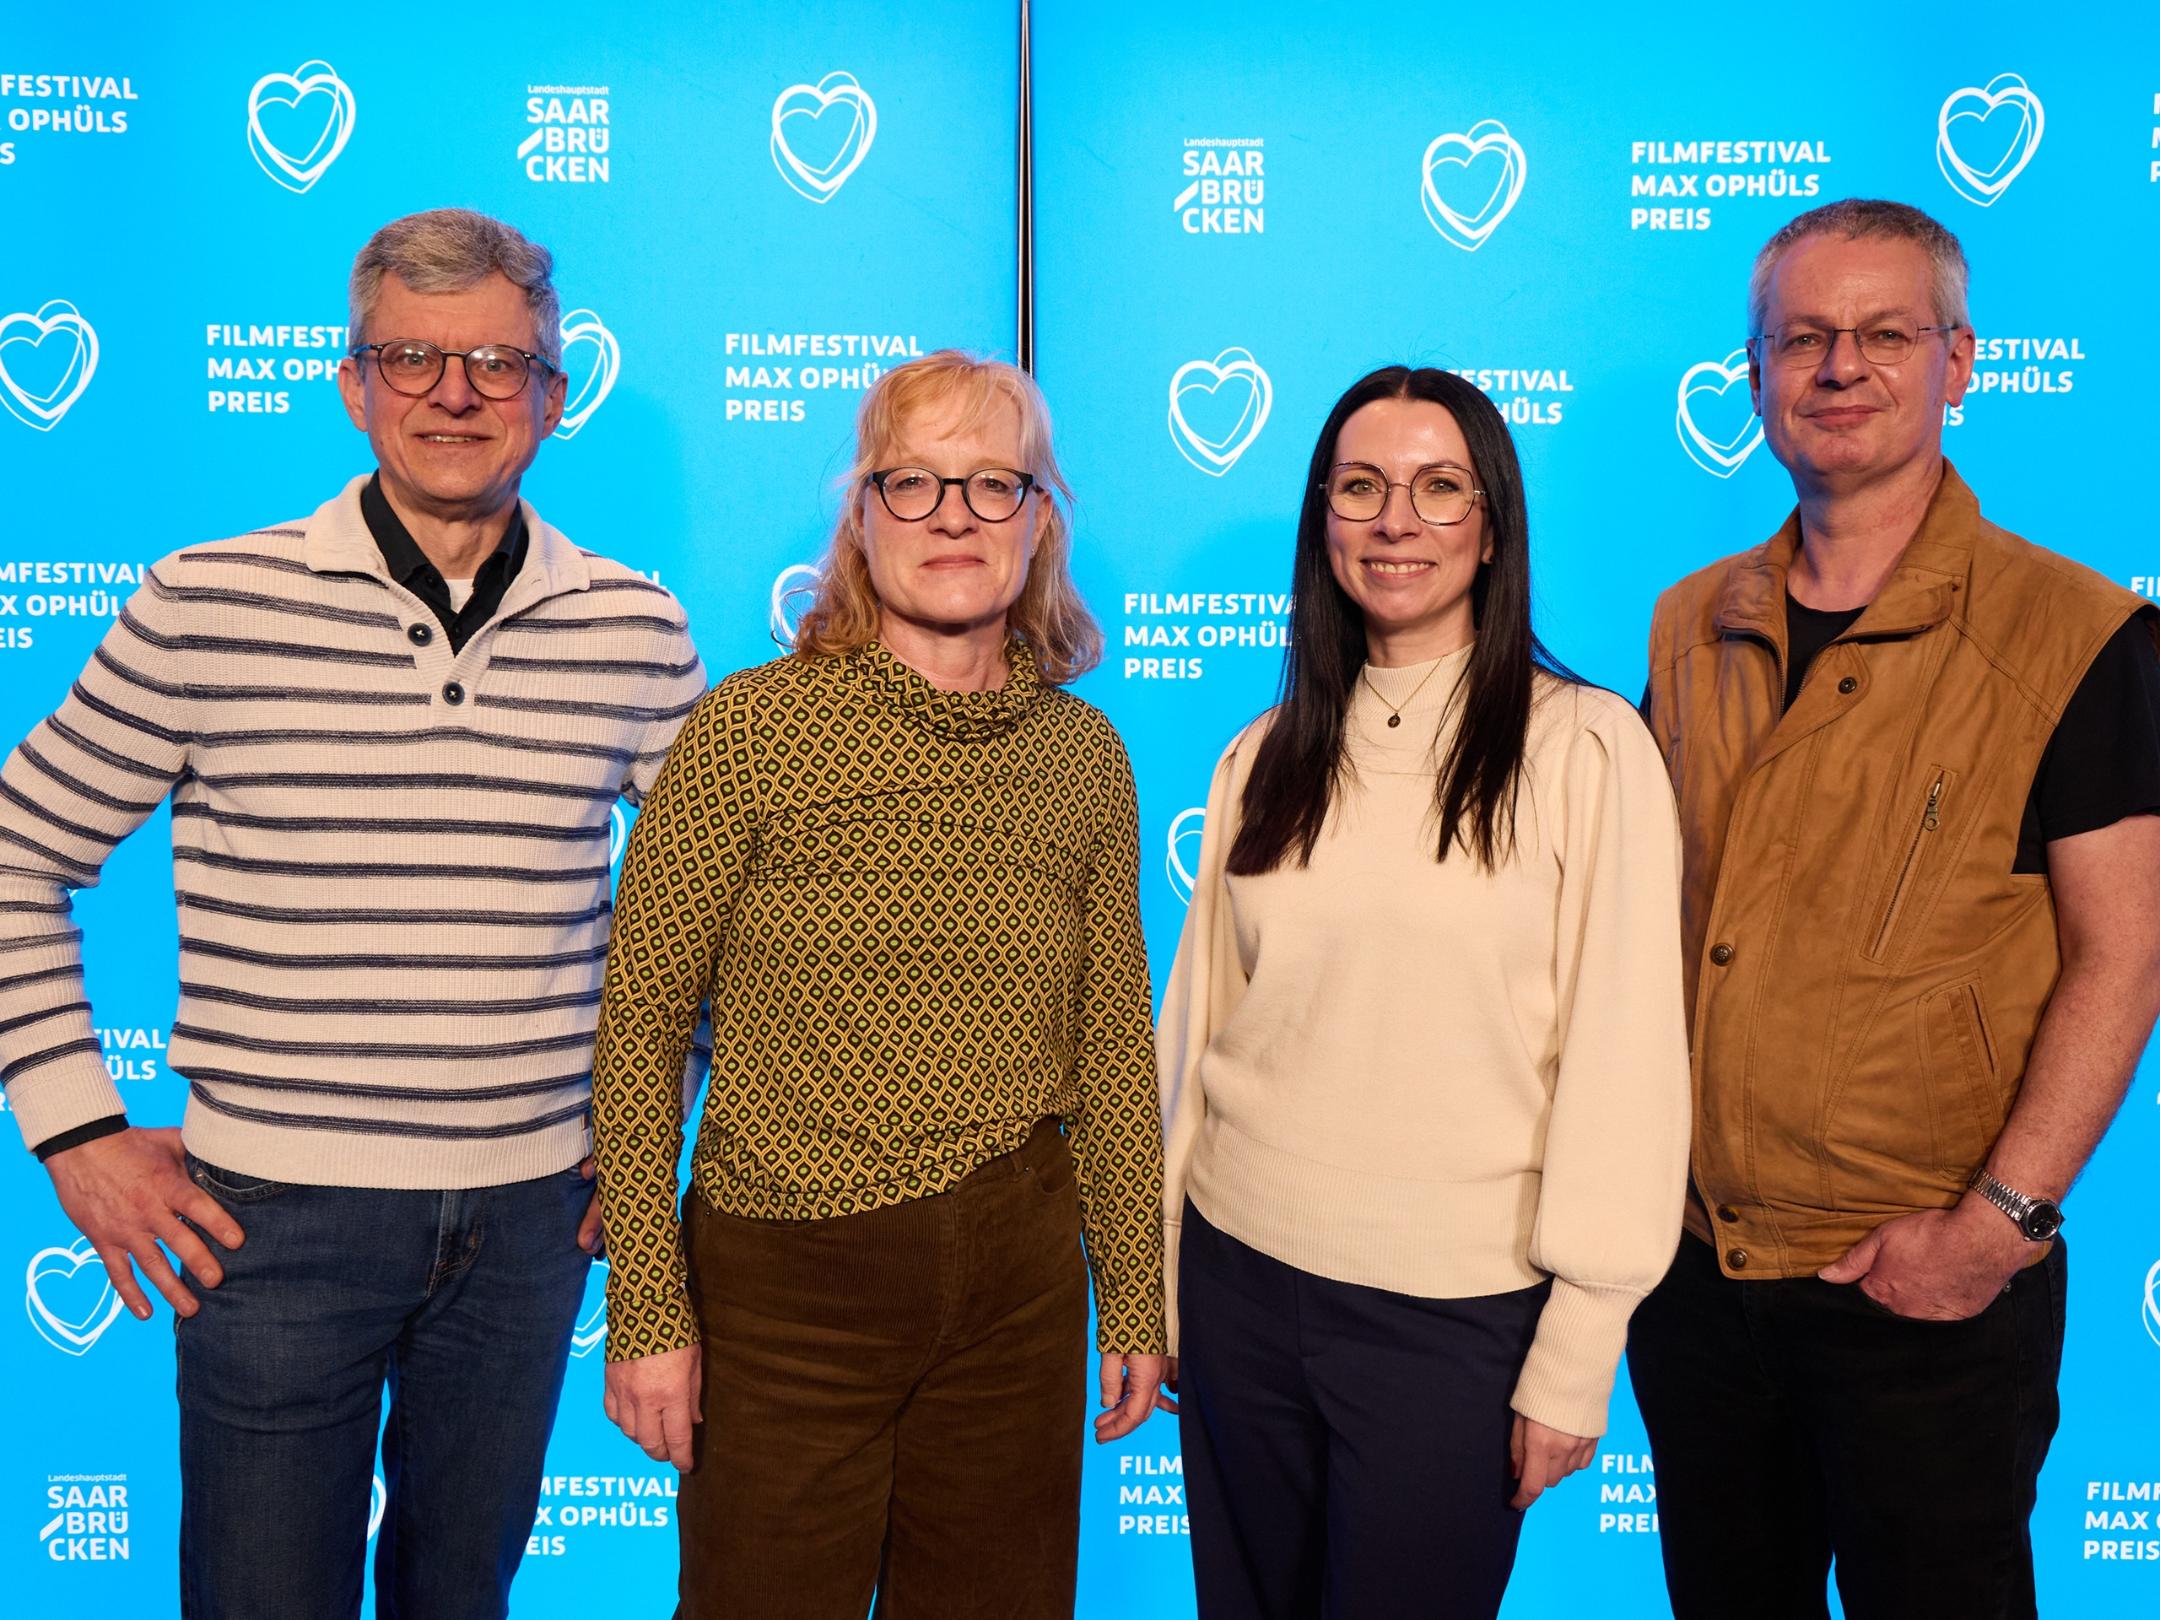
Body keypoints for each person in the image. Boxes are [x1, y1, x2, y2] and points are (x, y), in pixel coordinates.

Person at [0, 206, 704, 1618]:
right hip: (270, 1225)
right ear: (353, 385)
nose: (455, 395)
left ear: (553, 396)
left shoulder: (633, 624)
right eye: (411, 358)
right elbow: (18, 853)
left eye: (497, 364)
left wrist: (650, 1126)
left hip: (531, 1226)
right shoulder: (206, 603)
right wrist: (73, 1131)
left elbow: (723, 909)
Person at [1629, 198, 2160, 1620]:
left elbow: (2124, 955)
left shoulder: (2076, 635)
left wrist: (1997, 1229)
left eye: (1884, 334)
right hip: (1697, 1277)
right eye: (1803, 337)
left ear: (1959, 361)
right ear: (1755, 373)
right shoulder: (1688, 626)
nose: (1840, 367)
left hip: (1922, 1286)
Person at [590, 349, 1169, 1620]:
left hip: (1018, 1288)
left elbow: (1114, 1047)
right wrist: (646, 1308)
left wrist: (1133, 1290)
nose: (954, 516)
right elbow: (638, 1030)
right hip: (788, 1291)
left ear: (1040, 520)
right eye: (913, 482)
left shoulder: (1086, 756)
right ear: (861, 516)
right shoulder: (751, 729)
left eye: (992, 484)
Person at [1157, 365, 1691, 1620]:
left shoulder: (1585, 748)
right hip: (1235, 1288)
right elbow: (1197, 1035)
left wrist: (1579, 1348)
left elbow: (1625, 1063)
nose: (1396, 520)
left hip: (1452, 1321)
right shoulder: (1264, 753)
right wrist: (1160, 1280)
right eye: (1361, 488)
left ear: (1492, 527)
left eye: (1439, 488)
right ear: (1323, 521)